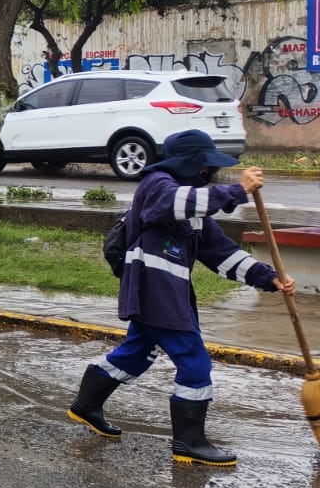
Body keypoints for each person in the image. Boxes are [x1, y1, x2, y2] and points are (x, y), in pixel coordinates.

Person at [67, 131, 291, 467]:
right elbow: (179, 201)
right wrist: (238, 191)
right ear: (191, 165)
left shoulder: (194, 207)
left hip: (165, 294)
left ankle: (86, 406)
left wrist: (268, 277)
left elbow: (221, 253)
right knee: (194, 362)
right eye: (204, 167)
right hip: (154, 291)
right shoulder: (156, 185)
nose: (208, 173)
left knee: (136, 353)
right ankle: (189, 443)